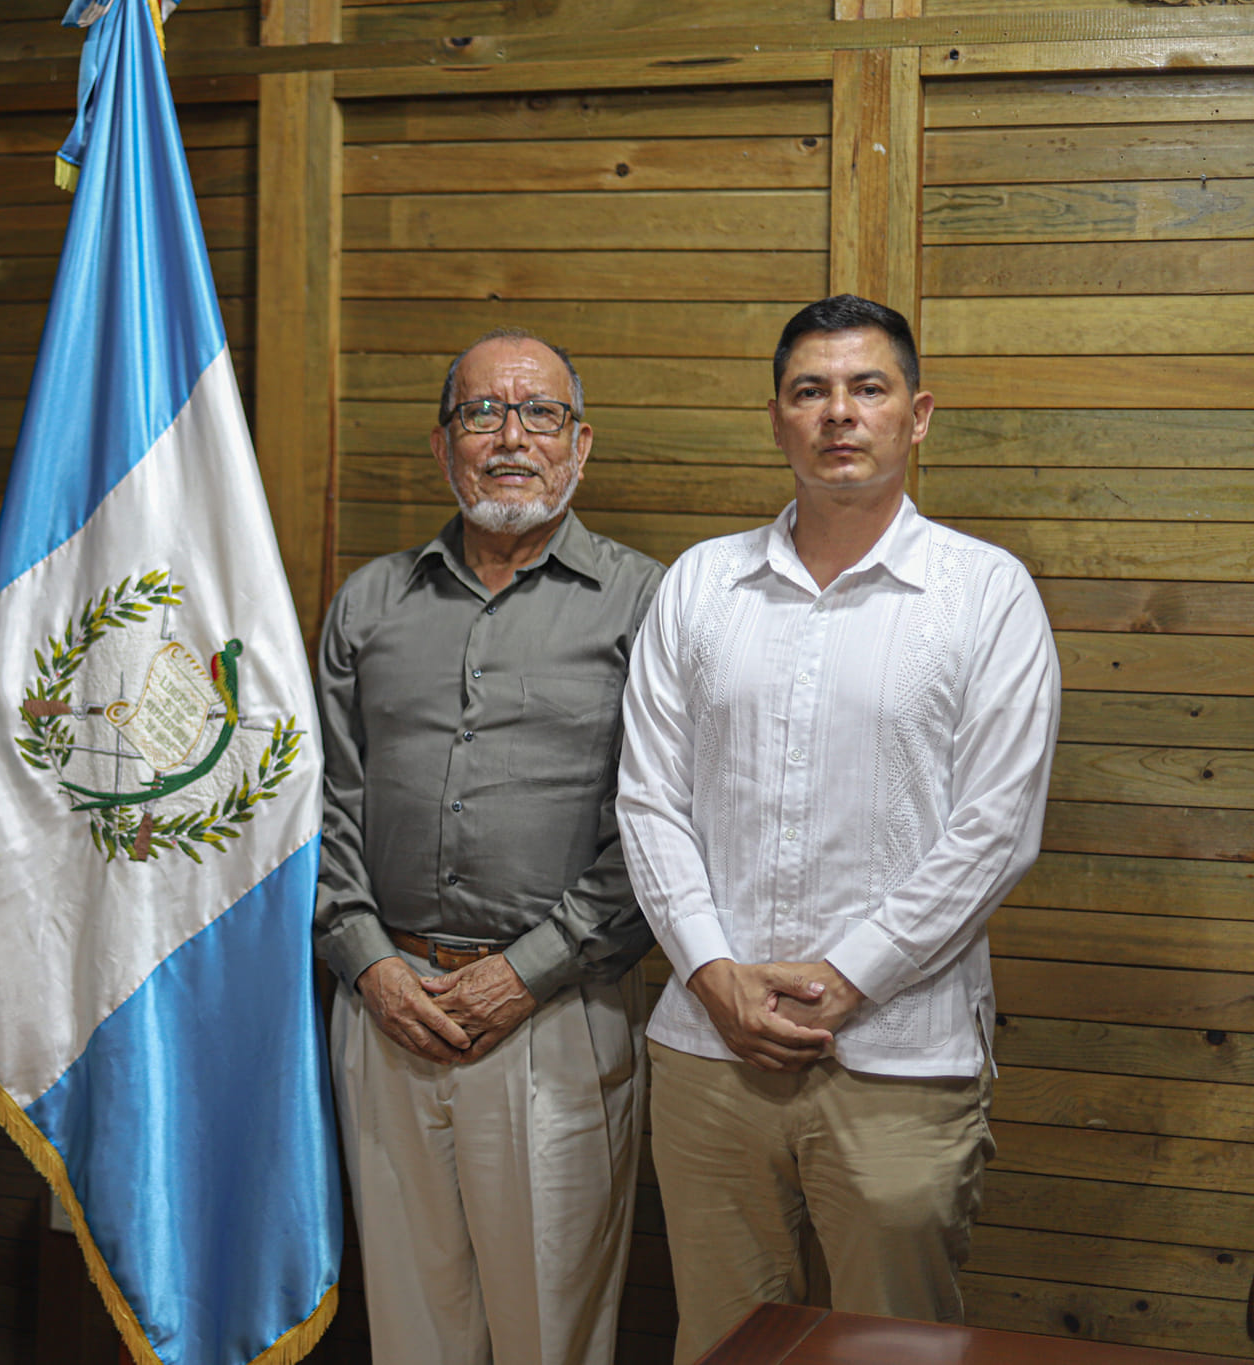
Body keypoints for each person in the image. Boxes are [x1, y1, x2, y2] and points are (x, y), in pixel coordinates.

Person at [617, 295, 1060, 1362]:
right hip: (710, 1050)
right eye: (809, 391)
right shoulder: (699, 584)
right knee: (721, 1340)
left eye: (868, 388)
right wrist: (712, 972)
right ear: (776, 418)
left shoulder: (984, 593)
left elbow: (996, 827)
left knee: (890, 1349)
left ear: (917, 415)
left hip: (898, 1059)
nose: (838, 413)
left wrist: (849, 975)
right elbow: (648, 800)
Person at [314, 326, 662, 1365]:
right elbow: (319, 806)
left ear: (579, 442)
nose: (511, 438)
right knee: (410, 1335)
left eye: (540, 413)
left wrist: (524, 973)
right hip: (384, 1012)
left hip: (554, 1016)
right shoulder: (367, 604)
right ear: (442, 444)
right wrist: (369, 965)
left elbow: (662, 825)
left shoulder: (648, 605)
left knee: (548, 1339)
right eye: (481, 413)